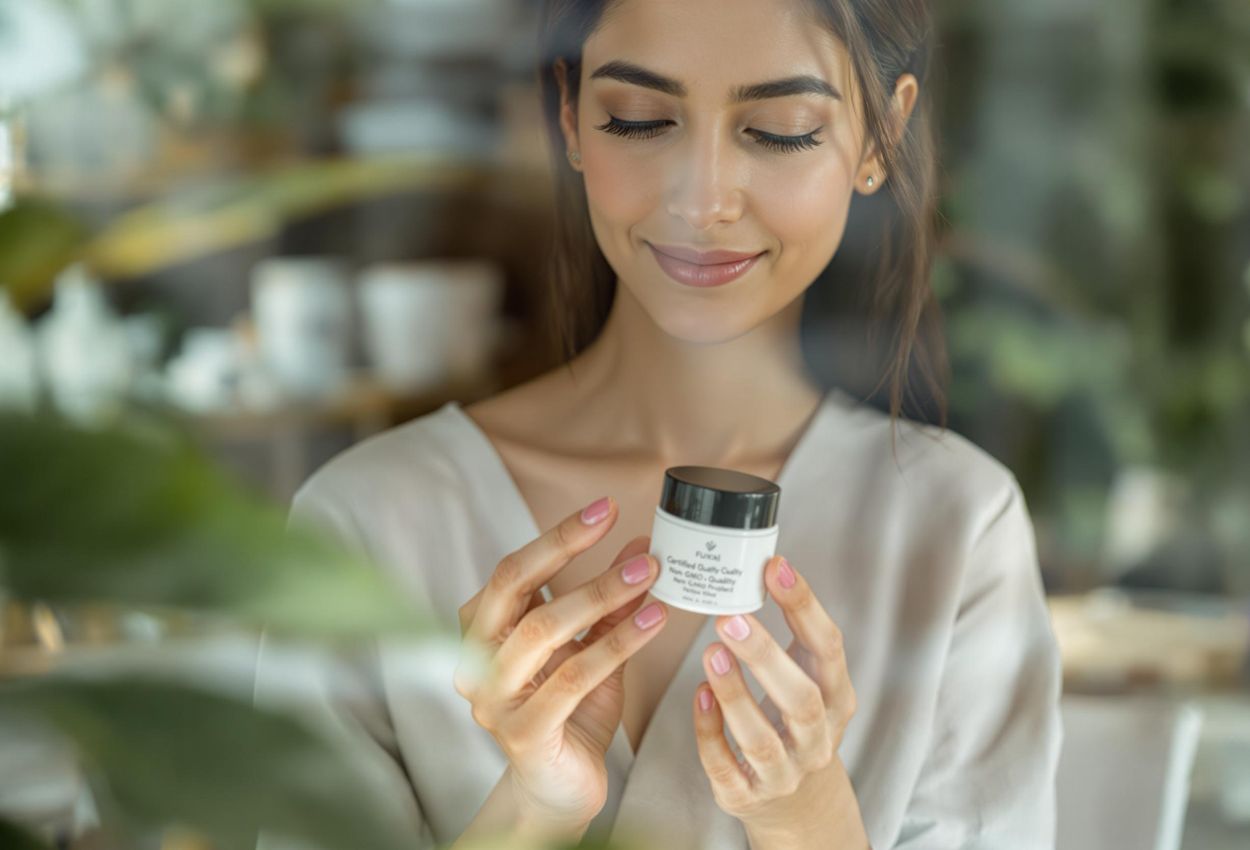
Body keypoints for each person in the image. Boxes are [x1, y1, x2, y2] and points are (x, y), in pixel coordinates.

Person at [255, 1, 1063, 848]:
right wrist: (532, 813)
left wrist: (807, 816)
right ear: (570, 116)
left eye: (781, 132)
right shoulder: (367, 520)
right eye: (639, 121)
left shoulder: (956, 527)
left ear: (881, 138)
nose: (702, 200)